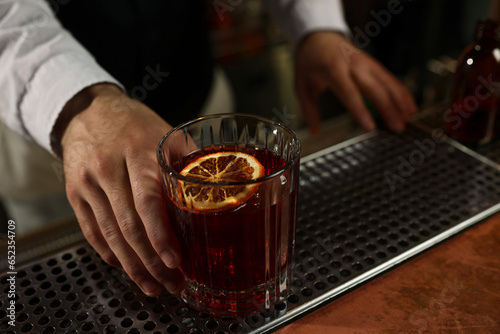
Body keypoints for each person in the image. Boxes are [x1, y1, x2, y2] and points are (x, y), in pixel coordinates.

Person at [0, 0, 417, 296]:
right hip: (58, 150)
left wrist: (315, 24)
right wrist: (78, 102)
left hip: (195, 111)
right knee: (87, 288)